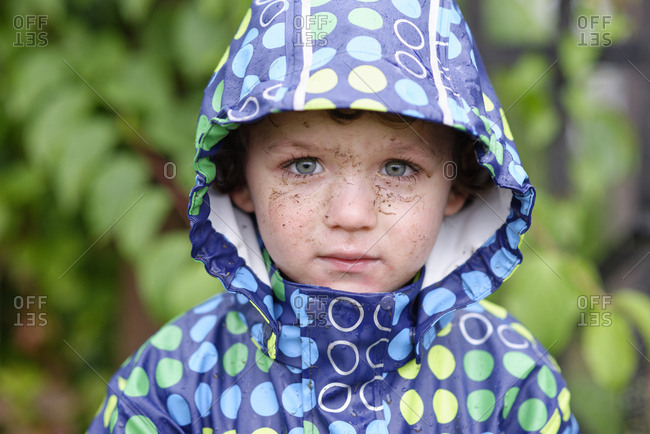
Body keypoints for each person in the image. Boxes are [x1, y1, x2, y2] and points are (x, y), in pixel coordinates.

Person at [89, 0, 579, 432]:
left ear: (457, 182)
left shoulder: (511, 380)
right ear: (236, 178)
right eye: (303, 166)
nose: (351, 215)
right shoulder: (170, 383)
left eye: (398, 168)